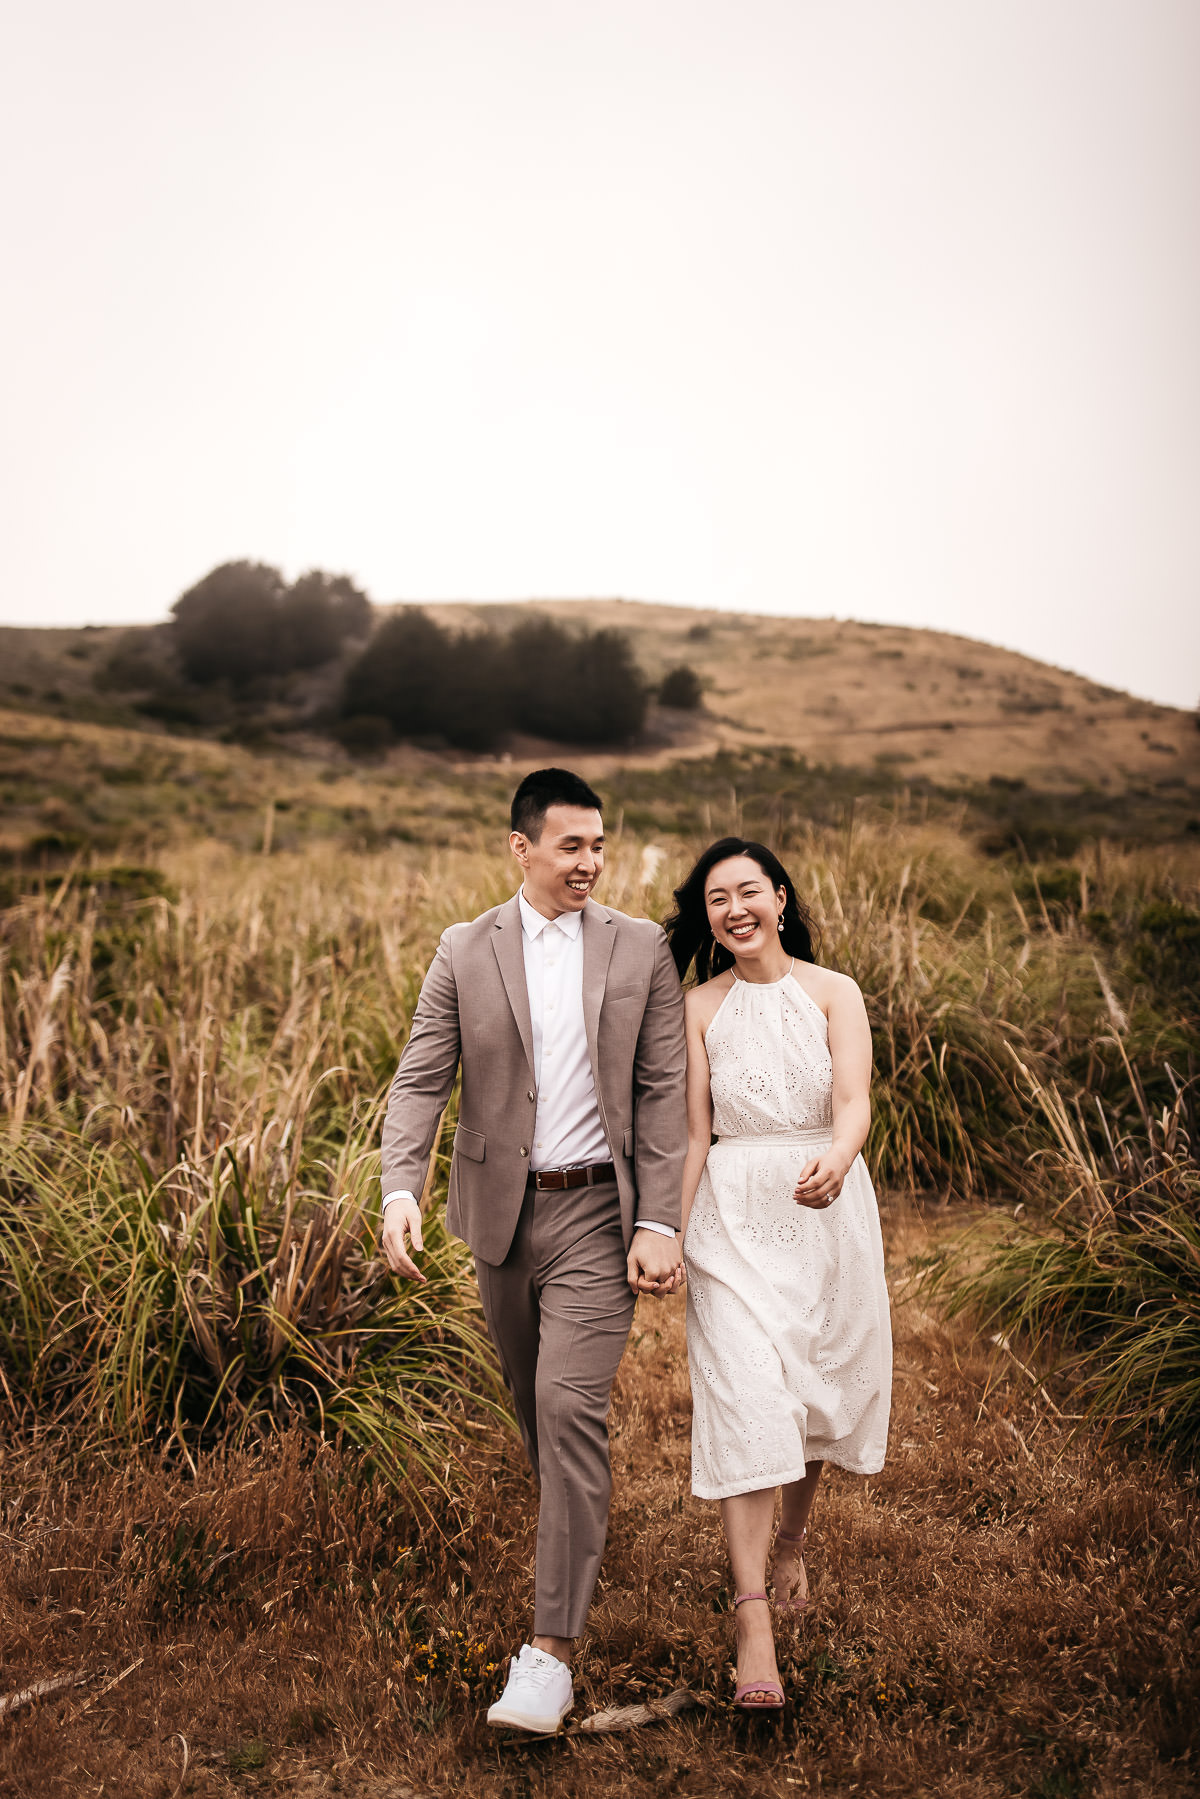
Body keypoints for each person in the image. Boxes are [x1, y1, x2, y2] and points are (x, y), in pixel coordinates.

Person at [380, 768, 687, 1734]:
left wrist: (660, 1219)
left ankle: (549, 1656)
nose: (590, 862)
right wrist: (400, 1188)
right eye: (571, 846)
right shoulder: (464, 947)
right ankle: (577, 1537)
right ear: (522, 848)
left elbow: (664, 1091)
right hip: (502, 1220)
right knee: (535, 1414)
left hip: (600, 1213)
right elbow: (422, 1077)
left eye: (599, 845)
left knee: (565, 1406)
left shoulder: (642, 946)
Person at [663, 837, 892, 1712]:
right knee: (748, 1397)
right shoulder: (698, 1006)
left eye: (748, 891)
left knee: (811, 1389)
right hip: (732, 1214)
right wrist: (669, 1232)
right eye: (716, 899)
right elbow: (695, 1133)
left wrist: (841, 1154)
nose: (734, 909)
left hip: (823, 1208)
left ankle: (791, 1538)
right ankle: (751, 1617)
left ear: (781, 897)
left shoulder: (836, 991)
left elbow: (853, 1102)